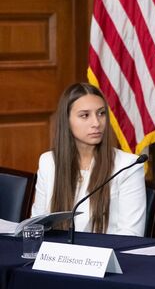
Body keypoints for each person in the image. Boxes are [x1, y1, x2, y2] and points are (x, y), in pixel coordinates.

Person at [31, 83, 146, 236]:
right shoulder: (48, 162)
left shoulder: (128, 165)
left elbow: (131, 235)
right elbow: (36, 226)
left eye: (101, 113)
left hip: (107, 250)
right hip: (56, 250)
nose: (96, 123)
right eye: (85, 115)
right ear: (66, 120)